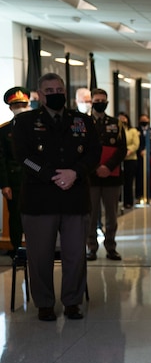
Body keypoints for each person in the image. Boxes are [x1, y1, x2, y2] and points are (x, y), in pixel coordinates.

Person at [12, 72, 101, 321]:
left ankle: (72, 301)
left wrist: (75, 172)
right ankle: (44, 304)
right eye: (49, 91)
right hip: (39, 200)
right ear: (40, 95)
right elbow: (23, 156)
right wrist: (51, 175)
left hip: (75, 198)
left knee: (75, 256)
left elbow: (94, 153)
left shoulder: (82, 121)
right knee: (40, 256)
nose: (55, 94)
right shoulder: (26, 122)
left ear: (65, 91)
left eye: (59, 89)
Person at [86, 88, 127, 261]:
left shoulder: (116, 123)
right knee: (91, 214)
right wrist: (96, 167)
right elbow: (81, 149)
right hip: (91, 177)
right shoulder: (83, 122)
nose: (100, 103)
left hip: (112, 176)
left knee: (112, 215)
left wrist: (108, 167)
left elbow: (122, 149)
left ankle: (111, 247)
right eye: (97, 100)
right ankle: (91, 247)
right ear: (91, 102)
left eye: (103, 100)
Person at [0, 87, 30, 255]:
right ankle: (17, 249)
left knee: (37, 216)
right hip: (14, 180)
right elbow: (1, 158)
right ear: (10, 107)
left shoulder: (38, 128)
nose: (20, 107)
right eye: (16, 104)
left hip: (36, 178)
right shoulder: (4, 131)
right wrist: (4, 184)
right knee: (16, 217)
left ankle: (37, 248)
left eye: (23, 104)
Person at [120, 112, 140, 209]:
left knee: (129, 182)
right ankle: (120, 200)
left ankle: (129, 201)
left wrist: (127, 151)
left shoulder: (132, 130)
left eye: (124, 118)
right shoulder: (118, 130)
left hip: (130, 159)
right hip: (119, 160)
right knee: (121, 182)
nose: (122, 120)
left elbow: (135, 144)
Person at [135, 113, 151, 203]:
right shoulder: (136, 130)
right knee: (139, 176)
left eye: (145, 119)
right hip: (139, 157)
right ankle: (139, 195)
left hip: (149, 157)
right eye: (142, 119)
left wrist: (148, 150)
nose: (144, 121)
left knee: (150, 175)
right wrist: (140, 151)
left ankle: (149, 194)